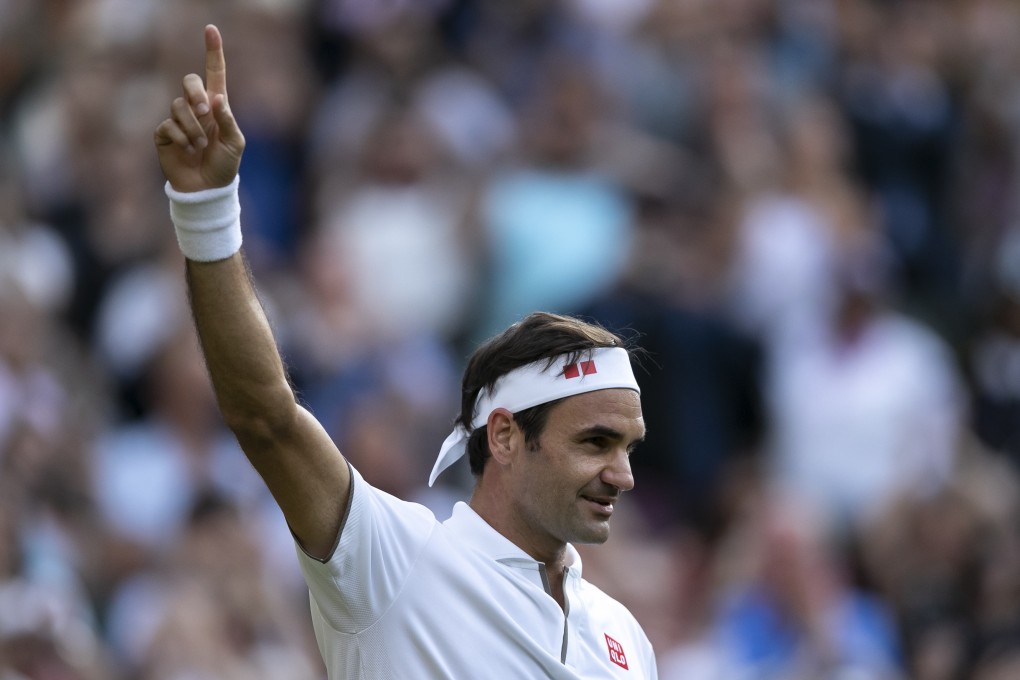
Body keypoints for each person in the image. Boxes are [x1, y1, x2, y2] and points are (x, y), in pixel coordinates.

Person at [153, 25, 657, 679]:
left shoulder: (624, 637)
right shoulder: (392, 558)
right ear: (503, 437)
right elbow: (265, 417)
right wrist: (206, 209)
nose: (623, 475)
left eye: (627, 446)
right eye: (595, 442)